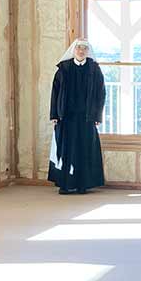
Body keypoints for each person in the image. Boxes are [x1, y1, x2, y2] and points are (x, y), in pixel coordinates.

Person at [48, 39, 106, 194]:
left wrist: (97, 116)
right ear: (73, 50)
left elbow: (101, 94)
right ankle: (65, 184)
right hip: (66, 117)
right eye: (78, 48)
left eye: (84, 48)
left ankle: (83, 185)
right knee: (66, 150)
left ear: (88, 51)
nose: (81, 51)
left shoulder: (94, 69)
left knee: (84, 150)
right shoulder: (63, 69)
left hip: (86, 117)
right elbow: (55, 92)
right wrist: (54, 114)